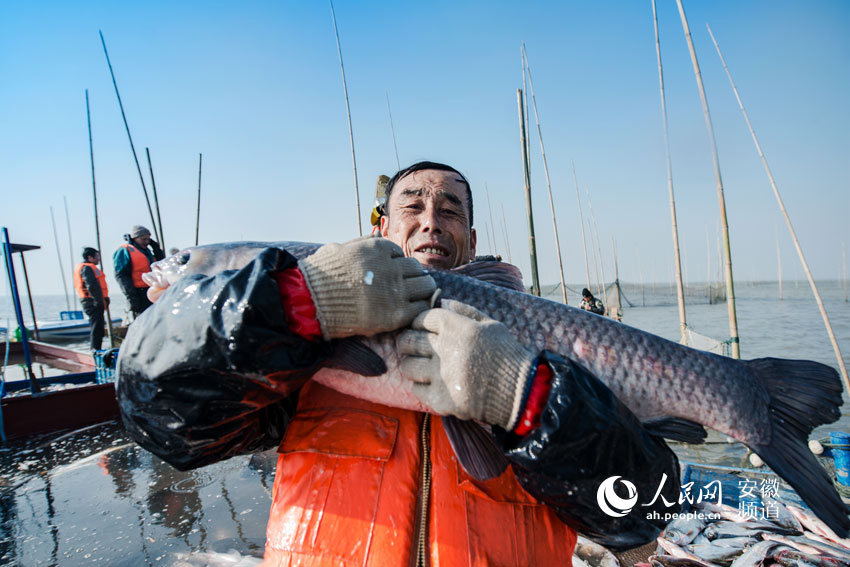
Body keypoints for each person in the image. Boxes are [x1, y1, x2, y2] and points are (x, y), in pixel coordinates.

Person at [117, 161, 680, 566]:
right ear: (380, 231)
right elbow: (163, 419)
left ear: (472, 238)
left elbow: (642, 512)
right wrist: (298, 303)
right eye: (411, 206)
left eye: (449, 209)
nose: (431, 220)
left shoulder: (534, 346)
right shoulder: (294, 354)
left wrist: (526, 397)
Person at [112, 225, 165, 318]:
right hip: (138, 293)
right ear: (135, 238)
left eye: (149, 239)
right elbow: (121, 275)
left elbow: (161, 264)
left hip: (152, 290)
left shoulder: (148, 252)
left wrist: (156, 248)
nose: (147, 242)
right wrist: (131, 296)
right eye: (143, 239)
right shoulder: (125, 250)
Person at [73, 247, 110, 351]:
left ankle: (96, 348)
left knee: (99, 326)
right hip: (92, 301)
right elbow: (92, 285)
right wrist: (99, 302)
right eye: (97, 256)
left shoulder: (88, 267)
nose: (99, 259)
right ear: (90, 257)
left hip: (93, 300)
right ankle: (95, 350)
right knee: (97, 327)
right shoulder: (87, 268)